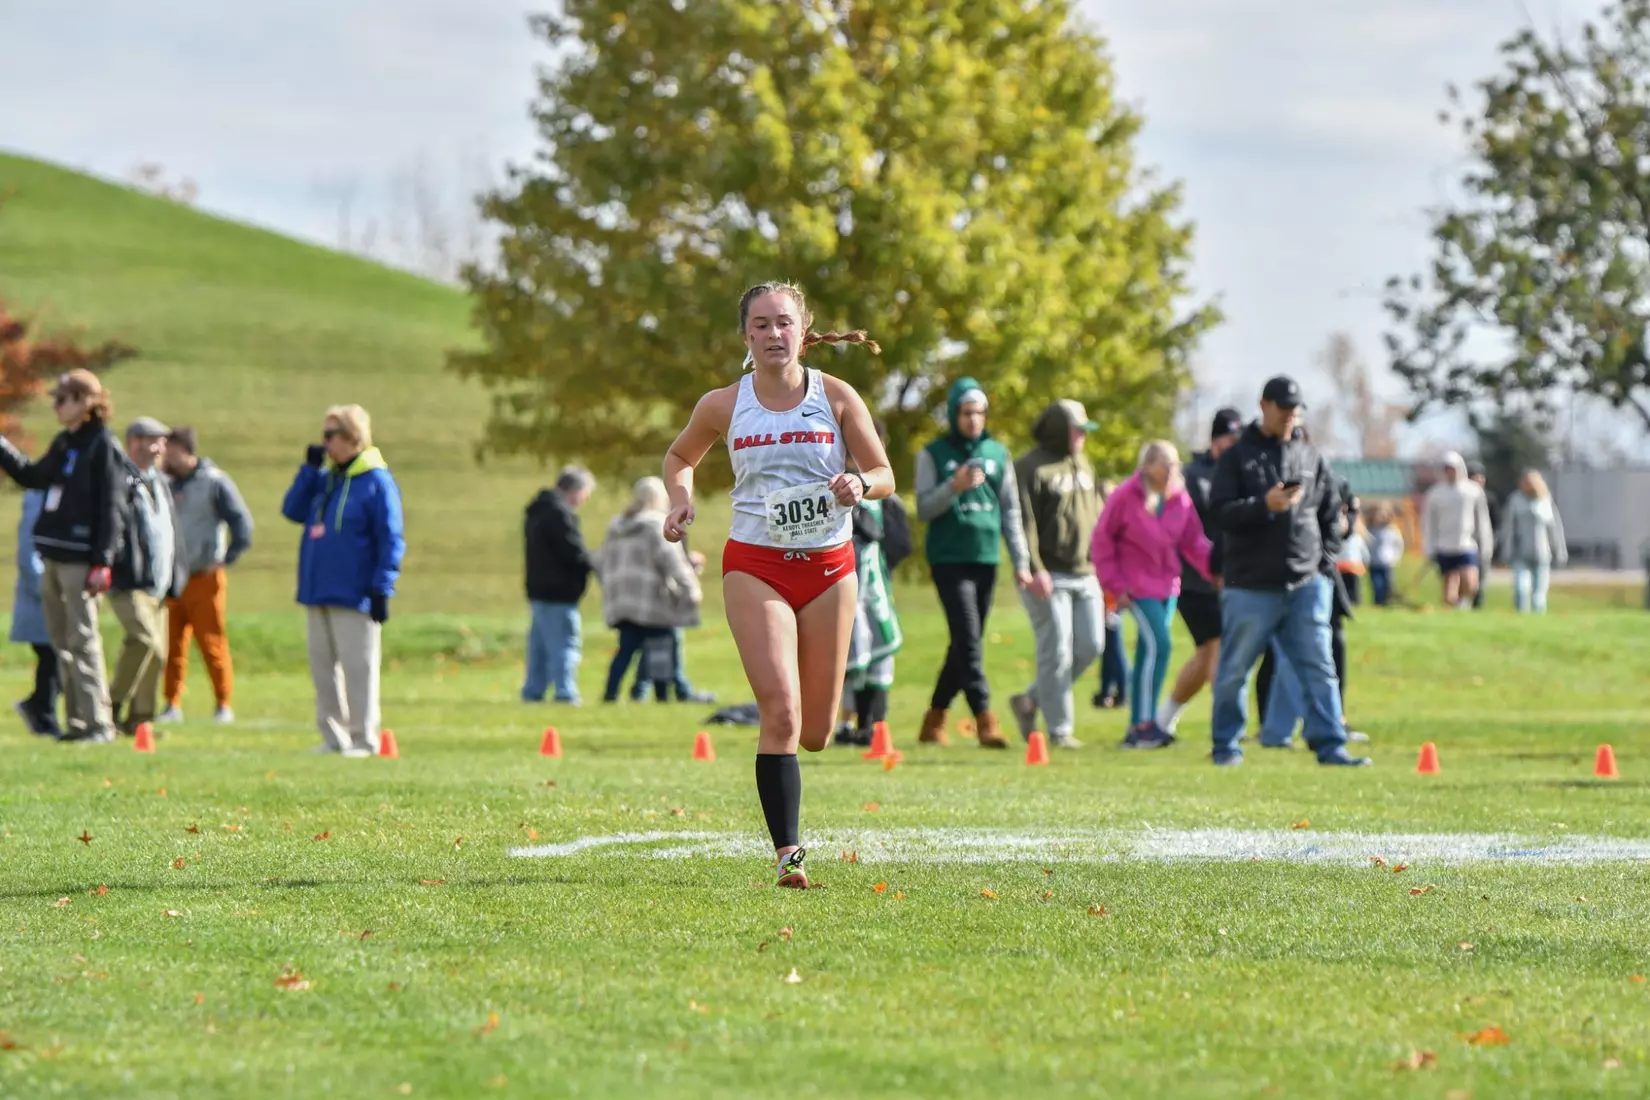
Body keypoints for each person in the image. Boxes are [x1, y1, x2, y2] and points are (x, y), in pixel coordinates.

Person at [661, 281, 893, 889]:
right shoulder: (723, 403)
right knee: (781, 712)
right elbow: (679, 457)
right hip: (755, 565)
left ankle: (799, 771)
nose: (772, 334)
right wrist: (679, 503)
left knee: (815, 731)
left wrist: (860, 485)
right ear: (746, 336)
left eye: (783, 323)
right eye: (760, 325)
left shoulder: (837, 397)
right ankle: (790, 855)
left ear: (803, 329)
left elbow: (884, 472)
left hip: (828, 568)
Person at [1206, 376, 1369, 767]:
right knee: (1234, 671)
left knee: (1319, 668)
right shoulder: (1236, 457)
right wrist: (1263, 505)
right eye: (1284, 411)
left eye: (1296, 412)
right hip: (1251, 586)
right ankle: (1226, 746)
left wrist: (1323, 558)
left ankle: (1330, 744)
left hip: (1305, 584)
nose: (1290, 419)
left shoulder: (1310, 456)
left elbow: (1333, 510)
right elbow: (1218, 513)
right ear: (1264, 406)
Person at [0, 369, 123, 743]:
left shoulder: (102, 445)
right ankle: (78, 723)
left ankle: (99, 724)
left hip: (81, 558)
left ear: (86, 402)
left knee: (83, 639)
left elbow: (111, 506)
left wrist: (102, 560)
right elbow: (33, 476)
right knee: (61, 642)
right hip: (53, 554)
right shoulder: (65, 443)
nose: (56, 405)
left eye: (63, 399)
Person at [280, 405, 405, 757]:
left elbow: (391, 538)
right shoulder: (326, 479)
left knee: (358, 670)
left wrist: (382, 587)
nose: (324, 442)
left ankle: (364, 739)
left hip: (355, 592)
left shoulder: (376, 482)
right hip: (318, 589)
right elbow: (292, 510)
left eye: (331, 435)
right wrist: (308, 470)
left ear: (353, 437)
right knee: (323, 671)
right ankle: (334, 738)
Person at [914, 378, 1031, 748]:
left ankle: (934, 720)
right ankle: (984, 717)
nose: (973, 420)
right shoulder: (933, 454)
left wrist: (1021, 561)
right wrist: (955, 486)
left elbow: (1011, 511)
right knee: (968, 639)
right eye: (966, 412)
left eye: (979, 412)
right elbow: (924, 508)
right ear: (953, 414)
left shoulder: (998, 454)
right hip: (949, 558)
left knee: (967, 642)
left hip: (986, 558)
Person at [1090, 440, 1213, 749]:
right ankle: (1145, 724)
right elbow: (1102, 542)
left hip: (1167, 585)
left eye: (1175, 464)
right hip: (1135, 587)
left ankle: (1140, 726)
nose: (1173, 471)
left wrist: (1217, 570)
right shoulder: (1125, 497)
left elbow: (1194, 541)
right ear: (1149, 467)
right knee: (1161, 643)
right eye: (1166, 465)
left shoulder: (1179, 498)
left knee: (1150, 650)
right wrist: (1114, 585)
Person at [1007, 400, 1104, 750]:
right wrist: (1034, 568)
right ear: (1059, 429)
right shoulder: (1029, 467)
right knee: (1057, 650)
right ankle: (1060, 730)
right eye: (1077, 430)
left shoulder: (1083, 463)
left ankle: (1030, 700)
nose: (1082, 437)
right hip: (1048, 576)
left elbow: (1096, 514)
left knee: (1092, 645)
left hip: (1086, 573)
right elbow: (1023, 522)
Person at [1155, 408, 1243, 737]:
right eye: (1228, 438)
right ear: (1216, 439)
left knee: (1207, 653)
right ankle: (1226, 731)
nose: (1233, 445)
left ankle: (1163, 719)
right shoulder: (1193, 476)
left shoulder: (1240, 472)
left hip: (1230, 576)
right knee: (1218, 648)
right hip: (1194, 579)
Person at [158, 427, 253, 726]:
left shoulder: (214, 482)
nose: (167, 460)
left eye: (172, 453)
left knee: (211, 642)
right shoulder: (164, 483)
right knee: (171, 645)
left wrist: (228, 558)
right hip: (172, 578)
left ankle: (223, 703)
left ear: (188, 452)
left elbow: (242, 523)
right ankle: (171, 703)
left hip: (204, 577)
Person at [108, 417, 186, 737]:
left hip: (159, 582)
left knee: (159, 654)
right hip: (130, 579)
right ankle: (109, 708)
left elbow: (170, 532)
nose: (160, 449)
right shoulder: (121, 478)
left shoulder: (159, 481)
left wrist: (176, 574)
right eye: (154, 441)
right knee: (143, 640)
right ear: (135, 442)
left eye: (163, 442)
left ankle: (141, 720)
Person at [596, 477, 704, 703]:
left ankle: (611, 694)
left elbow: (601, 560)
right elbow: (671, 559)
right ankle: (660, 695)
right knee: (661, 646)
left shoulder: (618, 526)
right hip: (651, 599)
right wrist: (690, 587)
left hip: (624, 602)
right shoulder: (656, 524)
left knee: (626, 649)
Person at [836, 423, 911, 746]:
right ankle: (846, 725)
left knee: (878, 653)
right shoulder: (836, 489)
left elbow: (899, 542)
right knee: (849, 656)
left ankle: (875, 725)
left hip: (875, 590)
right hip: (843, 587)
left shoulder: (887, 498)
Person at [521, 466, 596, 705]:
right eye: (585, 494)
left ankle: (533, 691)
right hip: (559, 591)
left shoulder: (538, 510)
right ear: (574, 491)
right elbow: (572, 552)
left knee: (540, 647)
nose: (584, 501)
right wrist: (594, 562)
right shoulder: (560, 513)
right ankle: (566, 692)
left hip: (539, 588)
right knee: (565, 643)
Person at [11, 489, 60, 737]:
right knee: (52, 656)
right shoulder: (38, 498)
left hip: (53, 594)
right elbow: (26, 553)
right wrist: (47, 587)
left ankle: (38, 708)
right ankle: (43, 716)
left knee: (56, 658)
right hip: (40, 597)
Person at [1421, 452, 1493, 609]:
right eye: (1446, 469)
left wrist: (1485, 544)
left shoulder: (1473, 491)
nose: (1450, 472)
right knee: (1449, 587)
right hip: (1444, 545)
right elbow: (1429, 523)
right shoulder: (1435, 494)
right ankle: (1453, 612)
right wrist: (1429, 547)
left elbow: (1482, 520)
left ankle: (1462, 604)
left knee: (1470, 583)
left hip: (1466, 544)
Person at [1501, 469, 1567, 613]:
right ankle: (1521, 615)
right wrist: (1507, 550)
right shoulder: (1516, 500)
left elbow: (1554, 528)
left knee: (1539, 593)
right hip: (1521, 552)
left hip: (1542, 553)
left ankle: (1538, 618)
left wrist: (1560, 550)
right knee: (1521, 588)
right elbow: (1509, 528)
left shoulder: (1545, 501)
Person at [1366, 502, 1403, 606]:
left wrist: (1395, 558)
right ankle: (1378, 602)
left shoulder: (1391, 530)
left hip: (1387, 562)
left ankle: (1386, 602)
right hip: (1374, 562)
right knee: (1376, 584)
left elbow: (1398, 545)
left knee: (1387, 584)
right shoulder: (1370, 530)